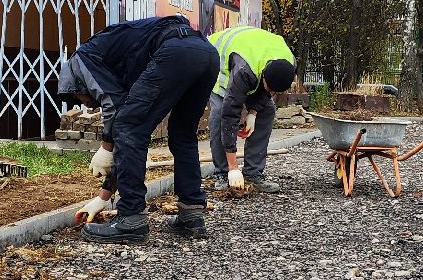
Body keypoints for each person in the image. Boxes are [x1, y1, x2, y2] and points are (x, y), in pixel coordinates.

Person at [57, 14, 219, 244]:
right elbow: (125, 129)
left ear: (75, 84)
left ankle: (131, 219)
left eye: (85, 100)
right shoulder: (119, 62)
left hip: (176, 51)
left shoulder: (82, 60)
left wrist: (105, 146)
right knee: (183, 134)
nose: (90, 105)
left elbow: (118, 114)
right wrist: (103, 197)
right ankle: (192, 214)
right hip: (206, 52)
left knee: (129, 126)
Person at [205, 24, 297, 194]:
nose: (272, 93)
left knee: (267, 110)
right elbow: (229, 114)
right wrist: (233, 166)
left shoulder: (289, 63)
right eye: (270, 88)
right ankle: (223, 173)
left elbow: (267, 92)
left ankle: (253, 173)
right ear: (264, 76)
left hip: (251, 58)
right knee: (218, 114)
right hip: (216, 60)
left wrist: (253, 113)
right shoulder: (244, 70)